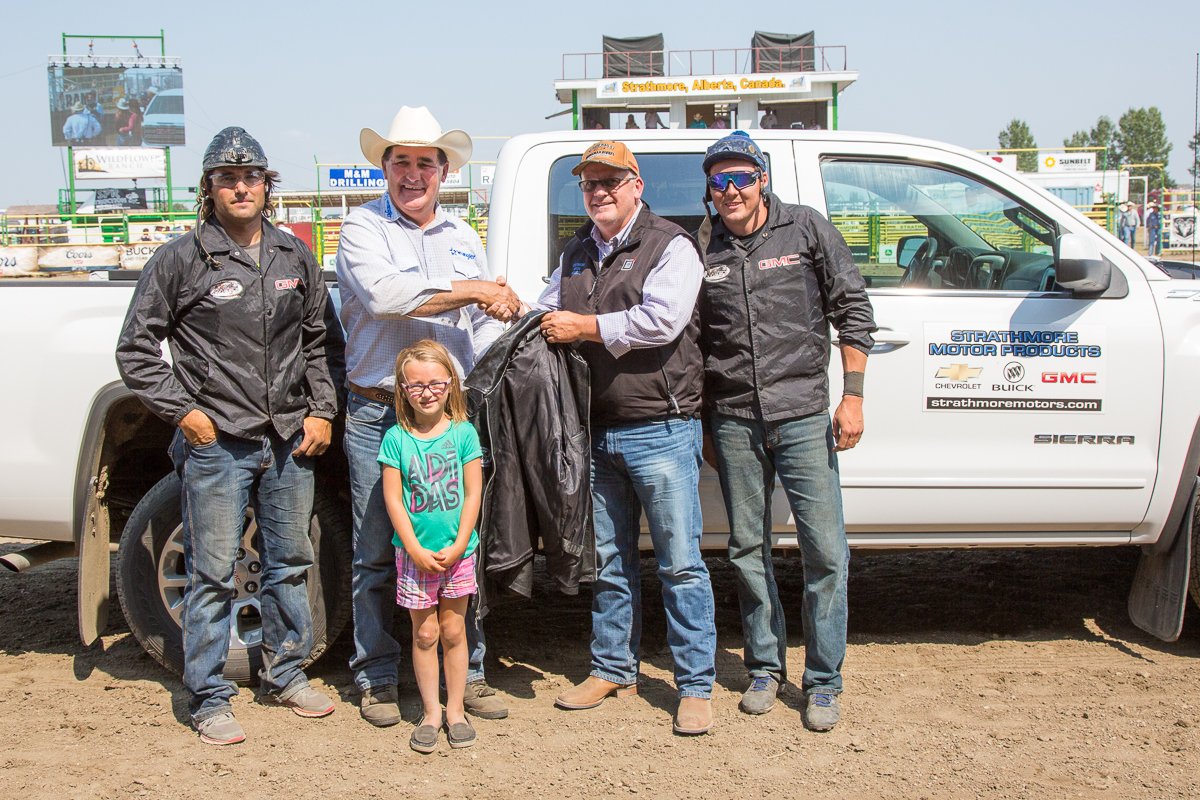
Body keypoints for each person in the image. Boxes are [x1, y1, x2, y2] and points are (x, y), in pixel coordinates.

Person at [116, 127, 345, 745]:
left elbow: (320, 342)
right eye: (227, 178)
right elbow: (136, 350)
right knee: (214, 571)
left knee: (290, 562)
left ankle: (285, 672)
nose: (240, 187)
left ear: (268, 187)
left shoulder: (294, 256)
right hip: (216, 444)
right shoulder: (182, 258)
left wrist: (321, 410)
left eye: (251, 178)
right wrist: (184, 412)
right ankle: (210, 695)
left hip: (288, 440)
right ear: (209, 188)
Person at [336, 105, 518, 728]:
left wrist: (504, 310)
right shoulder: (362, 229)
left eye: (424, 163)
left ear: (443, 171)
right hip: (378, 412)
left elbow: (474, 325)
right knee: (376, 550)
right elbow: (386, 298)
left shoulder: (462, 236)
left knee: (459, 543)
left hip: (450, 413)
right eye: (401, 162)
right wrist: (474, 290)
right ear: (384, 169)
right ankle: (378, 676)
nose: (412, 174)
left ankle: (469, 673)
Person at [696, 131, 876, 732]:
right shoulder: (700, 246)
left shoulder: (805, 229)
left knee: (826, 551)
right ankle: (765, 666)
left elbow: (852, 307)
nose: (731, 190)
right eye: (719, 181)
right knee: (748, 550)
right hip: (734, 419)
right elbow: (692, 345)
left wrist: (852, 397)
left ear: (762, 178)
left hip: (802, 413)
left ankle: (824, 680)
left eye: (741, 177)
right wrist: (704, 426)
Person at [538, 140, 717, 735]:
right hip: (597, 430)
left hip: (661, 428)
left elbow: (661, 321)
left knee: (680, 563)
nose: (600, 191)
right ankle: (613, 666)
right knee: (610, 562)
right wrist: (497, 304)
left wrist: (583, 327)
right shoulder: (575, 253)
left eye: (612, 181)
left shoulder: (671, 246)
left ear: (637, 185)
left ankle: (694, 685)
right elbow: (544, 310)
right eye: (590, 183)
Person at [380, 340, 483, 753]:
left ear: (451, 385)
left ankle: (456, 709)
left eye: (436, 383)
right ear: (403, 389)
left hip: (458, 553)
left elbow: (473, 494)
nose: (427, 392)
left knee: (455, 629)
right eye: (416, 384)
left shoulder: (464, 434)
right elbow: (393, 499)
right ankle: (431, 712)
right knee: (424, 633)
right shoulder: (396, 439)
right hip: (414, 556)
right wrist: (413, 548)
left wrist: (460, 544)